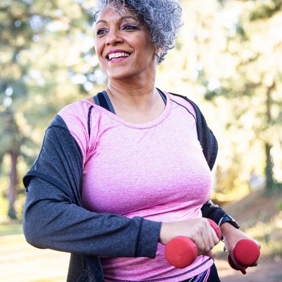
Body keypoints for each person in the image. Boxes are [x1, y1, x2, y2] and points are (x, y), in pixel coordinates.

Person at [22, 0, 259, 281]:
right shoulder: (77, 123)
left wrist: (226, 226)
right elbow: (40, 220)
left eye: (128, 26)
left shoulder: (188, 113)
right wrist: (158, 232)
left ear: (158, 39)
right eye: (101, 31)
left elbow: (188, 201)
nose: (111, 39)